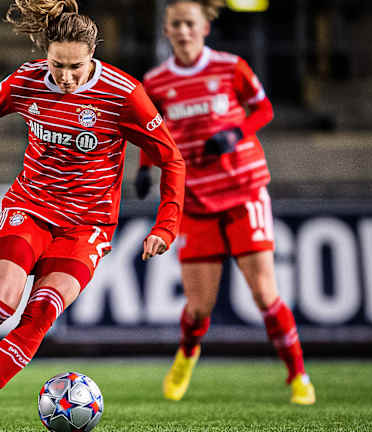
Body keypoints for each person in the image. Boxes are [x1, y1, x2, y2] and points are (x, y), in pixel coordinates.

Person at [0, 1, 186, 430]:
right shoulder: (27, 80)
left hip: (87, 226)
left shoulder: (124, 95)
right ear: (46, 53)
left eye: (76, 66)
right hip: (31, 207)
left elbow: (171, 158)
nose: (67, 76)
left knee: (40, 314)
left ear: (92, 56)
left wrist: (165, 224)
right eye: (59, 65)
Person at [135, 0, 315, 405]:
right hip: (195, 198)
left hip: (243, 190)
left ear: (205, 28)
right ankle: (185, 355)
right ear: (167, 30)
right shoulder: (156, 81)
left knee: (265, 294)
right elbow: (152, 131)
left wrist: (236, 134)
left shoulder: (231, 67)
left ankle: (299, 376)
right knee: (199, 308)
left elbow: (263, 109)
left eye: (189, 24)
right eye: (175, 24)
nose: (182, 31)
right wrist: (146, 168)